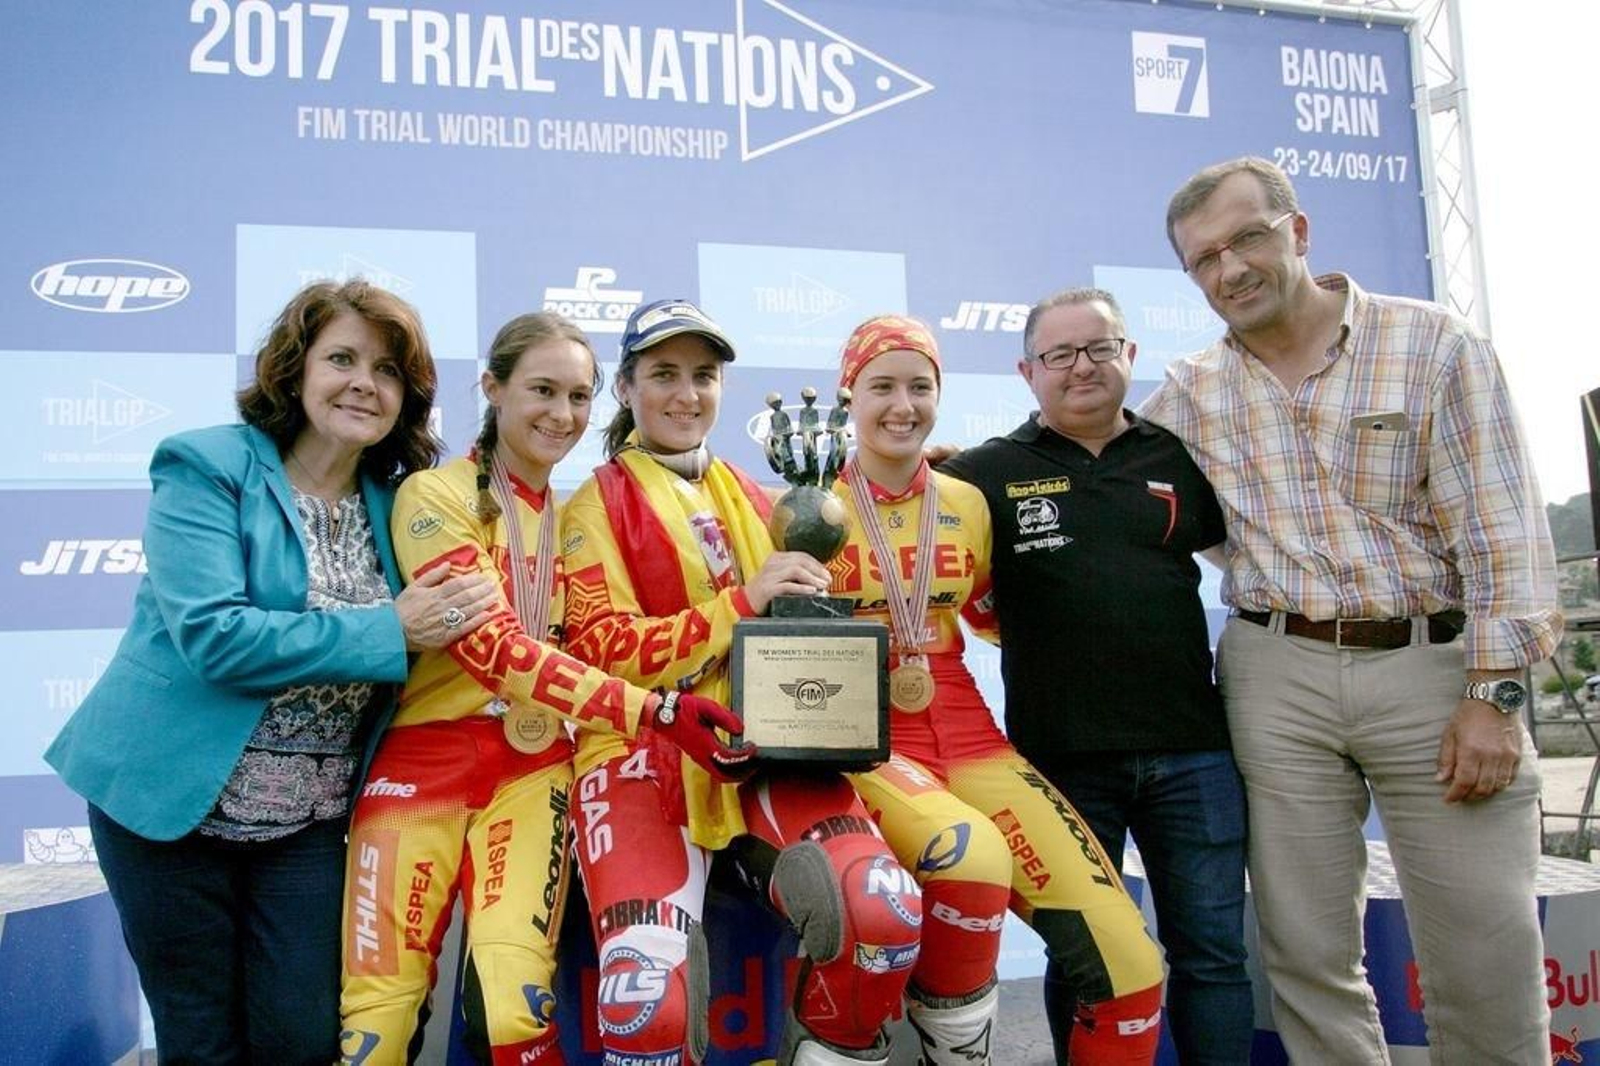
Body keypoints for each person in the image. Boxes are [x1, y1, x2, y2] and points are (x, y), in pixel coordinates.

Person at [1141, 156, 1561, 1063]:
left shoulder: (1434, 344)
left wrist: (1496, 694)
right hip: (1273, 675)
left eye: (1246, 238)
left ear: (1297, 231)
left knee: (1483, 952)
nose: (1231, 270)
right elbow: (1095, 463)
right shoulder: (1188, 394)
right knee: (1303, 952)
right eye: (1204, 259)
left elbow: (1505, 532)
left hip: (1437, 670)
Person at [44, 278, 502, 1064]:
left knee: (305, 1038)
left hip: (309, 824)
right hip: (168, 808)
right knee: (201, 1041)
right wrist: (386, 627)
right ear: (296, 371)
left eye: (387, 370)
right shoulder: (207, 465)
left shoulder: (401, 503)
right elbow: (216, 637)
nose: (364, 382)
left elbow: (450, 625)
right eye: (343, 359)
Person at [338, 312, 750, 1065]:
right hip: (419, 771)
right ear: (493, 388)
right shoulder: (434, 496)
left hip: (530, 775)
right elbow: (495, 653)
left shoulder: (572, 517)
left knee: (517, 1010)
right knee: (376, 1024)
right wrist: (654, 709)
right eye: (542, 391)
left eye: (579, 397)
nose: (561, 415)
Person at [560, 298, 924, 1065]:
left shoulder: (753, 494)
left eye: (703, 375)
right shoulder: (597, 501)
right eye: (664, 375)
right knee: (645, 1000)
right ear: (625, 389)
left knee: (880, 913)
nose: (686, 394)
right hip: (642, 751)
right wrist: (741, 603)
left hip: (768, 748)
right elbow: (598, 650)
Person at [829, 314, 1169, 1064]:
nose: (902, 405)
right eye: (881, 386)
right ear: (847, 395)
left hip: (974, 737)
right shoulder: (800, 508)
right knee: (973, 861)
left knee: (1132, 970)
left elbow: (991, 615)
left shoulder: (967, 501)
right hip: (869, 740)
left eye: (920, 387)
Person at [938, 292, 1252, 1063]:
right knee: (1086, 958)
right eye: (1060, 355)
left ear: (1129, 357)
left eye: (1099, 348)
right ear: (1027, 372)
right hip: (1064, 761)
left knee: (1212, 954)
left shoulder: (1181, 457)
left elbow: (1246, 547)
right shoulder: (983, 475)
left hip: (1194, 752)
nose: (1082, 367)